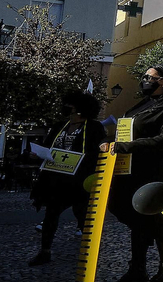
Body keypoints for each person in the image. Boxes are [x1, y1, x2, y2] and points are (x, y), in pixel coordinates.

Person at [101, 66, 163, 282]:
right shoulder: (141, 106)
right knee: (135, 218)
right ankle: (137, 269)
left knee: (161, 220)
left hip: (159, 171)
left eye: (150, 77)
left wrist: (124, 147)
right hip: (132, 171)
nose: (145, 80)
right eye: (145, 77)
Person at [27, 92, 107, 266]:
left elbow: (98, 149)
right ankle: (45, 251)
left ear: (80, 109)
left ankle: (89, 252)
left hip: (80, 179)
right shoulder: (59, 126)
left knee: (83, 216)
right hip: (56, 179)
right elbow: (48, 146)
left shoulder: (93, 127)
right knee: (51, 215)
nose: (66, 110)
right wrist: (38, 154)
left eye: (70, 107)